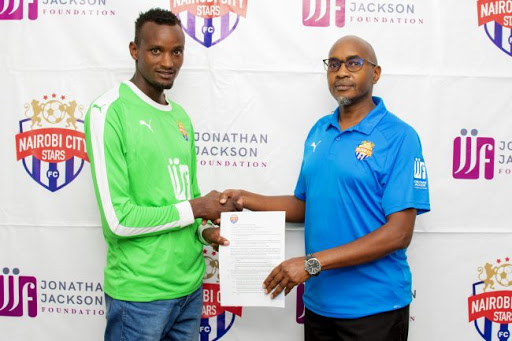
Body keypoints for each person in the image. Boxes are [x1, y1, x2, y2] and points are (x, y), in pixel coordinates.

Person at [220, 35, 430, 341]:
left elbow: (399, 233)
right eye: (333, 64)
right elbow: (307, 204)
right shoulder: (320, 131)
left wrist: (311, 264)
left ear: (376, 73)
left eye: (354, 63)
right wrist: (247, 198)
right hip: (320, 306)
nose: (342, 72)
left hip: (374, 309)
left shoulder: (400, 137)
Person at [84, 8, 237, 341]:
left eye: (177, 51)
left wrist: (205, 232)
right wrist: (198, 209)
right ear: (134, 51)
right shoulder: (109, 112)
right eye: (156, 50)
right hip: (140, 298)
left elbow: (186, 201)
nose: (168, 62)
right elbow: (119, 220)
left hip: (190, 290)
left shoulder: (180, 117)